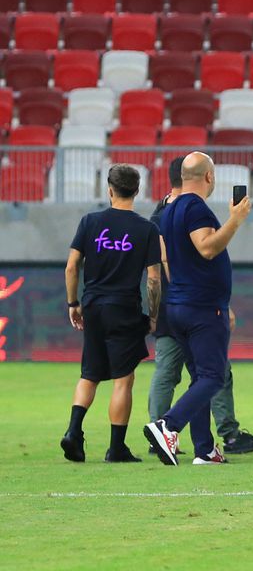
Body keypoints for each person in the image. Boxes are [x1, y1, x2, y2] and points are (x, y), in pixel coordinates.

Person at [147, 155, 253, 456]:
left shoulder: (170, 209)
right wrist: (236, 220)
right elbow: (207, 247)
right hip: (201, 307)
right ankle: (168, 426)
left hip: (178, 304)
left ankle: (205, 449)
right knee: (213, 377)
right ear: (209, 177)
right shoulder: (195, 207)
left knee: (199, 378)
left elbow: (167, 261)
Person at [61, 165, 163, 463]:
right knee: (123, 379)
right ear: (137, 190)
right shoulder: (147, 229)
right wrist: (153, 314)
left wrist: (72, 304)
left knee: (89, 374)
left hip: (92, 305)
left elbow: (71, 266)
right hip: (124, 309)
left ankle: (73, 432)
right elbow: (154, 279)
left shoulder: (90, 221)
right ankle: (116, 448)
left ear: (109, 189)